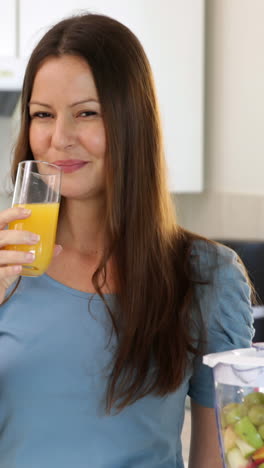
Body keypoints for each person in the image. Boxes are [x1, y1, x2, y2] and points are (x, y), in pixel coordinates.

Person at [0, 12, 254, 468]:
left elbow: (233, 453)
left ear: (132, 120)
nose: (60, 138)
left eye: (87, 113)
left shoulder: (207, 276)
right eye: (43, 115)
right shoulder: (5, 263)